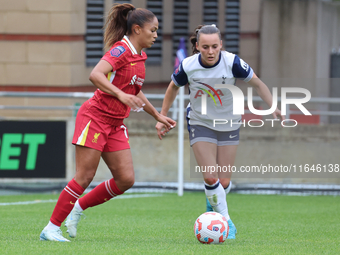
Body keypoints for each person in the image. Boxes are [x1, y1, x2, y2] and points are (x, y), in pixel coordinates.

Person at [40, 3, 176, 242]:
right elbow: (95, 74)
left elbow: (135, 91)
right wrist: (120, 95)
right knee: (84, 176)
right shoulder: (120, 50)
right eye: (152, 30)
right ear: (136, 29)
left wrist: (157, 116)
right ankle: (51, 228)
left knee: (126, 179)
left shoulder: (140, 56)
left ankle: (78, 207)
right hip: (95, 118)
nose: (156, 35)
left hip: (115, 123)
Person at [155, 24, 284, 239]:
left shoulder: (233, 62)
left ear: (221, 45)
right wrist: (162, 116)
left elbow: (258, 84)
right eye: (205, 47)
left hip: (229, 124)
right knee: (210, 175)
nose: (211, 51)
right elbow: (172, 88)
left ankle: (212, 200)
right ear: (197, 46)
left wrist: (273, 107)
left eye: (215, 46)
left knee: (222, 182)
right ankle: (226, 221)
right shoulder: (188, 65)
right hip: (200, 122)